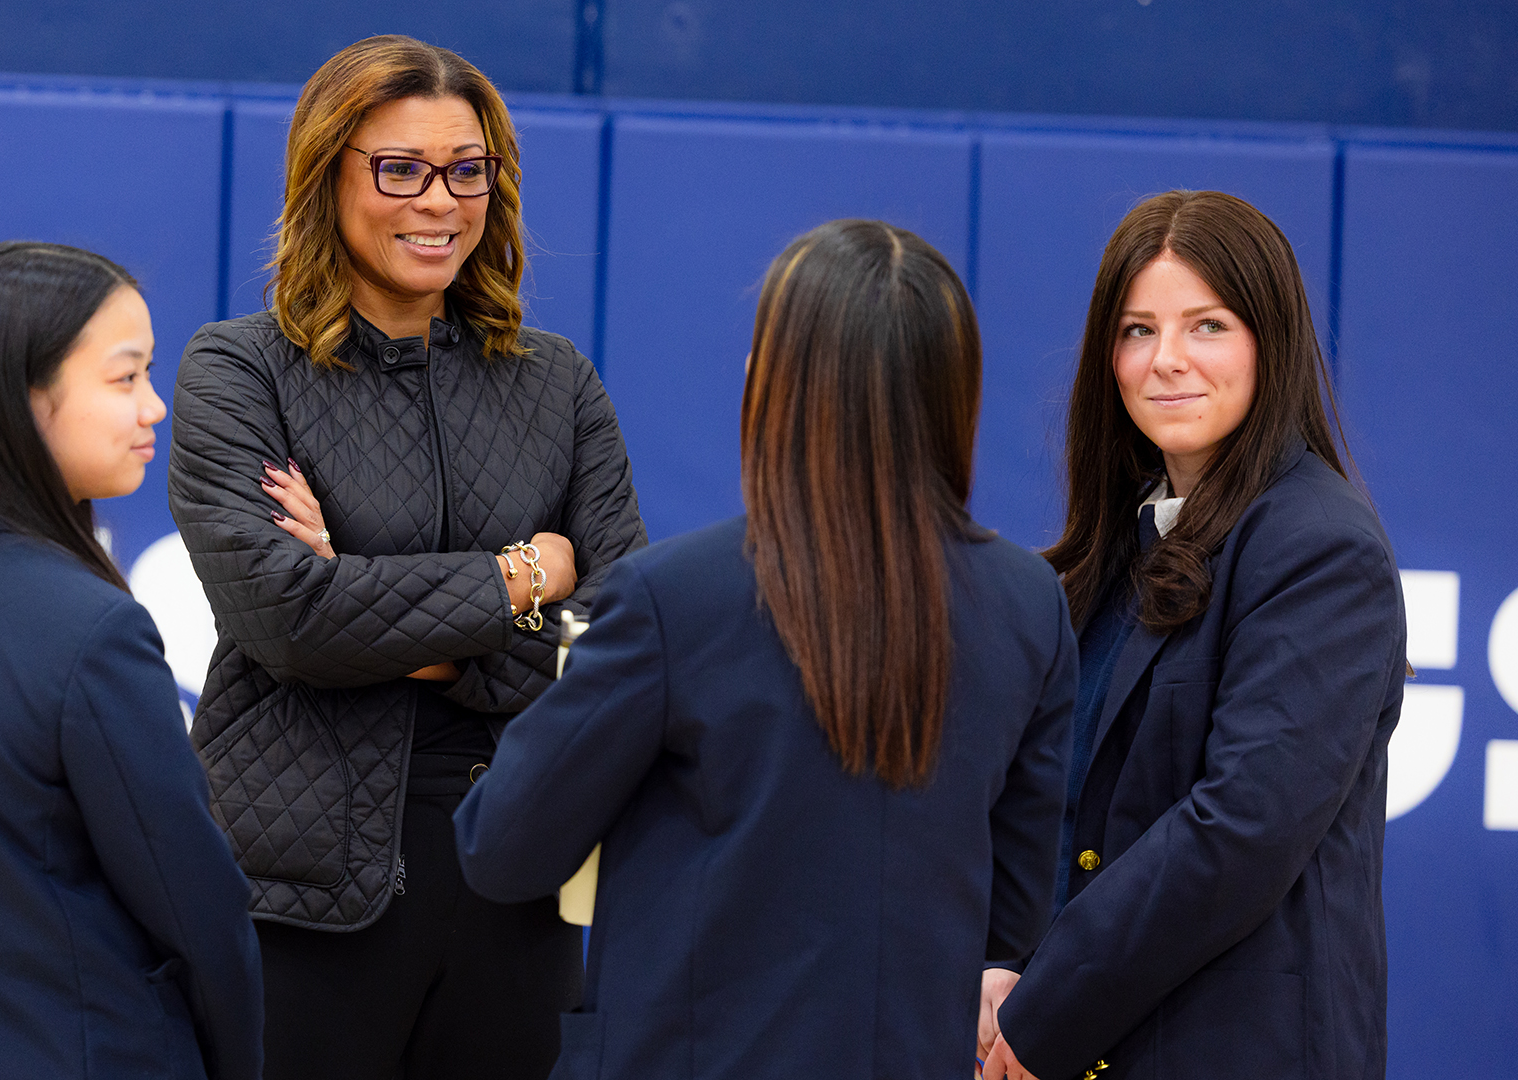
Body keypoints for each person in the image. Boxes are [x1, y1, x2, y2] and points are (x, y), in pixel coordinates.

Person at [451, 218, 1076, 1079]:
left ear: (775, 382)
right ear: (956, 393)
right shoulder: (1027, 604)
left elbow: (503, 845)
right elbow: (1016, 912)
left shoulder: (675, 599)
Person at [166, 34, 647, 1080]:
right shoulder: (238, 372)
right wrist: (527, 576)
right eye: (401, 170)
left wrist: (383, 618)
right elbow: (286, 619)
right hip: (299, 902)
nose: (440, 202)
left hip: (514, 879)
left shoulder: (557, 385)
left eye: (466, 172)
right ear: (326, 176)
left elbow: (620, 641)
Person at [980, 191, 1405, 1080]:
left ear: (1270, 340)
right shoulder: (1119, 545)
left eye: (1206, 325)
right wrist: (998, 963)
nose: (1166, 361)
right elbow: (1053, 809)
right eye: (1137, 330)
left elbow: (1238, 828)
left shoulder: (1320, 545)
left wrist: (1045, 1008)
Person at [0, 241, 264, 1080]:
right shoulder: (94, 630)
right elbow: (203, 917)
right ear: (25, 396)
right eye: (125, 377)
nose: (156, 408)